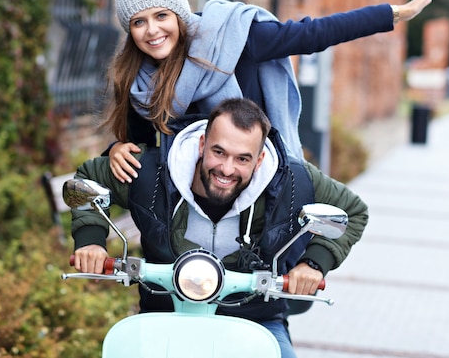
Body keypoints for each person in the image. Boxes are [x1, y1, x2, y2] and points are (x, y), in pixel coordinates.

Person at [71, 97, 369, 358]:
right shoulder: (152, 172)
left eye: (242, 159)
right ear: (202, 144)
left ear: (260, 159)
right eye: (218, 152)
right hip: (164, 314)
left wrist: (314, 264)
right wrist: (91, 241)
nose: (227, 169)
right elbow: (89, 181)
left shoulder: (293, 180)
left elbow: (353, 210)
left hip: (256, 318)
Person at [104, 0, 443, 183]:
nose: (152, 30)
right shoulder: (137, 81)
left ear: (178, 13)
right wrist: (116, 150)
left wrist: (393, 13)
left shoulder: (233, 38)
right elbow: (142, 149)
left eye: (161, 15)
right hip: (193, 201)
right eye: (138, 22)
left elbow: (314, 34)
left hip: (267, 183)